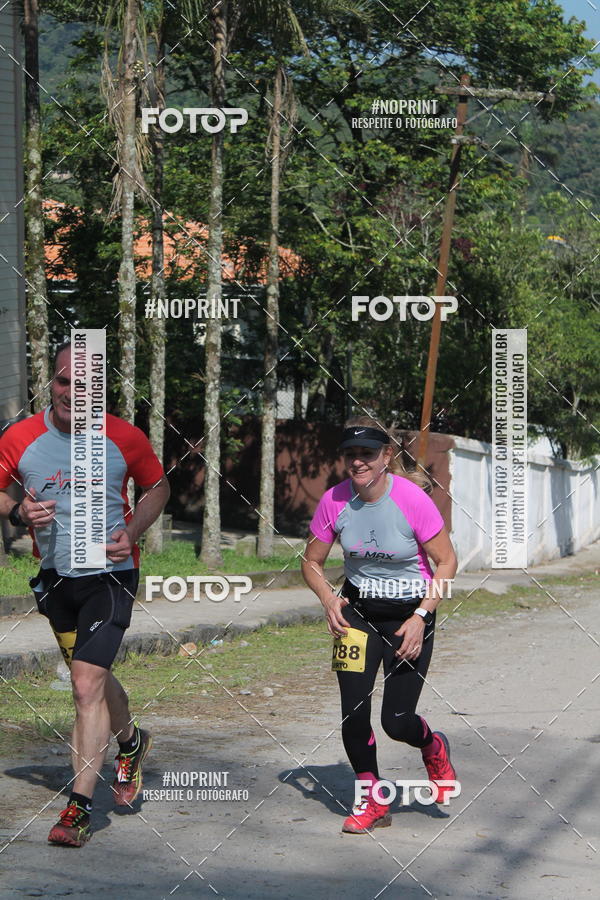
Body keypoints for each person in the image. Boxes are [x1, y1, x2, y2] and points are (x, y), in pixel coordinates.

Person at [0, 342, 170, 847]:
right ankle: (130, 741)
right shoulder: (20, 437)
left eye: (86, 385)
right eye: (63, 381)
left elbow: (158, 487)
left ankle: (78, 808)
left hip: (111, 574)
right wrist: (16, 513)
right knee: (91, 678)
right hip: (56, 577)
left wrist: (133, 531)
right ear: (50, 382)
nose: (73, 392)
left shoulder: (124, 436)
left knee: (83, 684)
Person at [301, 416, 458, 834]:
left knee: (397, 720)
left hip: (410, 617)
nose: (358, 462)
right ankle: (372, 800)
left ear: (386, 456)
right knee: (353, 713)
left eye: (367, 453)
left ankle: (433, 745)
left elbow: (447, 562)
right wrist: (328, 598)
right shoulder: (334, 501)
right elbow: (311, 562)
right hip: (357, 616)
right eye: (350, 454)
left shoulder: (411, 500)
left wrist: (422, 617)